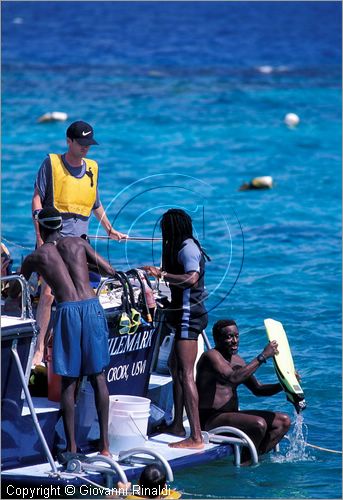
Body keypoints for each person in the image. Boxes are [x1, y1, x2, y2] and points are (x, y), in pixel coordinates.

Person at [11, 207, 116, 456]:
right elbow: (109, 271)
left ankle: (71, 447)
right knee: (98, 377)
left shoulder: (36, 257)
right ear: (60, 225)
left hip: (68, 311)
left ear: (41, 227)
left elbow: (16, 290)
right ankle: (105, 448)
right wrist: (85, 260)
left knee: (69, 381)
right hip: (91, 307)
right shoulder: (78, 243)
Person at [31, 120, 127, 366]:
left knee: (78, 295)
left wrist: (110, 229)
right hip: (53, 241)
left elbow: (95, 203)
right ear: (69, 141)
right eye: (81, 143)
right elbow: (37, 201)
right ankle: (39, 349)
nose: (86, 148)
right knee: (50, 293)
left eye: (89, 144)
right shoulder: (51, 164)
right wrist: (40, 237)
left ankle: (68, 346)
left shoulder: (92, 168)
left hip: (78, 244)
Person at [144, 209, 209, 449]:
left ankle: (196, 436)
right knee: (174, 366)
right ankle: (177, 425)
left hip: (189, 316)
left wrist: (161, 274)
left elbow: (191, 278)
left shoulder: (188, 249)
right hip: (184, 313)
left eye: (166, 229)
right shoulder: (183, 246)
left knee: (185, 373)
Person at [196, 319, 291, 463]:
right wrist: (263, 356)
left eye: (236, 336)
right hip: (210, 419)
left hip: (231, 416)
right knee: (258, 424)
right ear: (217, 339)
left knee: (283, 421)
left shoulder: (237, 360)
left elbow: (258, 389)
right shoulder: (211, 356)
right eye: (229, 337)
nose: (234, 341)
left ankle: (253, 459)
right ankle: (247, 462)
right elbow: (232, 378)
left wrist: (285, 384)